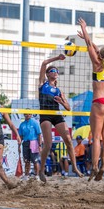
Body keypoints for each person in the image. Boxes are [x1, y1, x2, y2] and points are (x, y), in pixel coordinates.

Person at [77, 18, 104, 181]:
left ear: (100, 55)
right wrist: (91, 41)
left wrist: (85, 30)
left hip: (99, 102)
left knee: (96, 137)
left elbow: (89, 46)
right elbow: (96, 49)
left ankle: (93, 167)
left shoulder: (96, 64)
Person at [38, 54, 83, 182]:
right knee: (48, 144)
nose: (56, 72)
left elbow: (68, 108)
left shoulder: (58, 91)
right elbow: (44, 62)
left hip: (56, 114)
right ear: (48, 74)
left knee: (68, 140)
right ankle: (41, 171)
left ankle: (74, 167)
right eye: (53, 71)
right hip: (45, 114)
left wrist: (62, 102)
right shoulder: (42, 84)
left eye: (57, 71)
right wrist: (58, 58)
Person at [18, 112, 42, 181]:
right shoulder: (22, 124)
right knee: (26, 160)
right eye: (26, 114)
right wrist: (19, 146)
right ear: (24, 115)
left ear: (31, 115)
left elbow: (39, 134)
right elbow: (20, 136)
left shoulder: (35, 123)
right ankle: (26, 175)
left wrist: (40, 145)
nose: (28, 115)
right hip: (25, 143)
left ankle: (37, 175)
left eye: (29, 114)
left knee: (35, 160)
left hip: (34, 142)